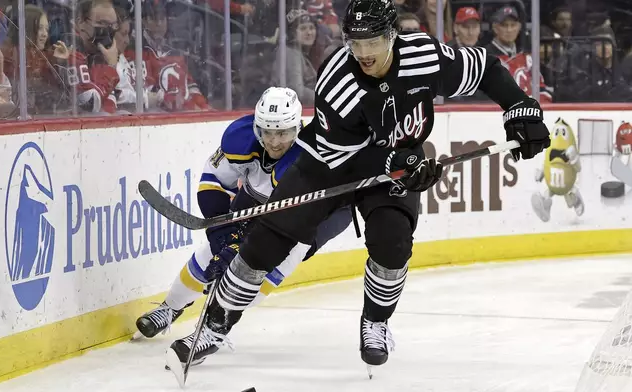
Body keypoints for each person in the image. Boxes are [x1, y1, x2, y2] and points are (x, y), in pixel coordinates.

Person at [173, 0, 551, 373]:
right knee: (266, 242)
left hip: (398, 156)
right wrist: (400, 164)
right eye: (355, 43)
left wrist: (519, 107)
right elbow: (346, 160)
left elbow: (485, 68)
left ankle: (376, 322)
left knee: (393, 242)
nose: (364, 53)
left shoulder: (425, 56)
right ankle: (214, 325)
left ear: (393, 36)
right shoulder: (338, 79)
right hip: (327, 164)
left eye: (373, 42)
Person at [135, 87, 353, 361]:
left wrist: (239, 250)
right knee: (210, 256)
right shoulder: (241, 137)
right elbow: (212, 182)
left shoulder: (309, 157)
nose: (274, 142)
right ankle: (170, 307)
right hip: (255, 197)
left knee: (253, 278)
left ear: (298, 128)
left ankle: (212, 331)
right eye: (267, 132)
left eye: (283, 133)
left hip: (309, 219)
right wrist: (224, 237)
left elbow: (282, 226)